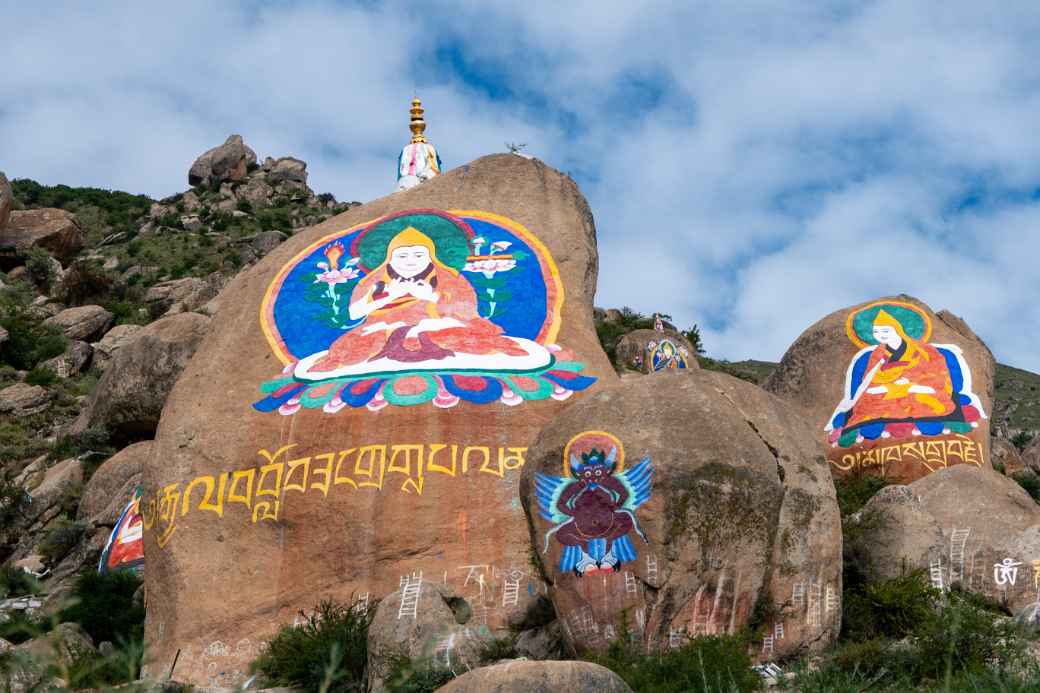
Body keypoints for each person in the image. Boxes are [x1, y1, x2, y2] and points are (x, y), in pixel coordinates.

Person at [311, 226, 525, 371]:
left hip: (438, 327)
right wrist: (385, 297)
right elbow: (354, 313)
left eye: (418, 255)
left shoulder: (448, 278)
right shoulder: (377, 282)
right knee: (354, 345)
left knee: (461, 335)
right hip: (381, 329)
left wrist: (431, 297)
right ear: (390, 259)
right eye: (402, 256)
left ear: (430, 256)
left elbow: (468, 310)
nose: (410, 261)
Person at [826, 309, 959, 438]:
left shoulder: (922, 349)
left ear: (897, 329)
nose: (881, 334)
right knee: (867, 401)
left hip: (920, 387)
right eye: (876, 331)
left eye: (885, 330)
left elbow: (936, 370)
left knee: (924, 398)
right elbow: (870, 378)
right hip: (888, 390)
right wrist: (890, 385)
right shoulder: (877, 354)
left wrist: (910, 380)